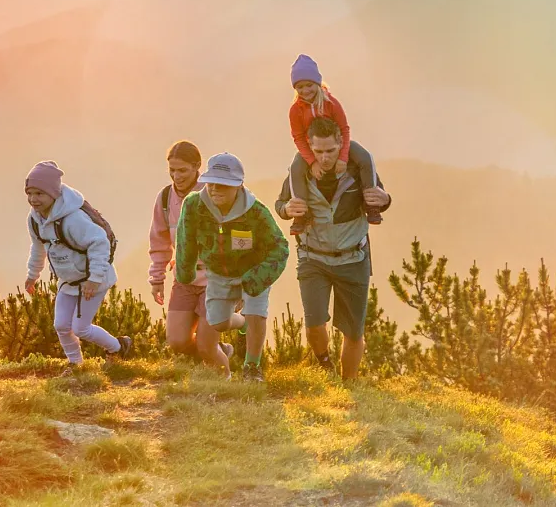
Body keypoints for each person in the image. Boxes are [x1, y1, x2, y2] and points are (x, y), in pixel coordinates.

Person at [274, 117, 392, 381]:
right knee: (314, 323)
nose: (324, 158)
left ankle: (349, 384)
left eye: (330, 150)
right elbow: (281, 203)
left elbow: (379, 198)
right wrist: (286, 209)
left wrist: (386, 200)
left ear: (341, 143)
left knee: (353, 331)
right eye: (318, 151)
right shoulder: (300, 172)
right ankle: (325, 364)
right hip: (312, 258)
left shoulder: (358, 169)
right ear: (309, 147)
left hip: (354, 258)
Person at [174, 152, 289, 382]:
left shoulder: (256, 212)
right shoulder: (194, 205)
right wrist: (184, 272)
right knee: (218, 323)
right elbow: (186, 239)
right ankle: (242, 321)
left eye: (223, 185)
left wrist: (256, 279)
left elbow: (280, 247)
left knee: (257, 312)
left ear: (239, 185)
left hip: (253, 271)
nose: (216, 189)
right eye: (212, 183)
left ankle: (252, 367)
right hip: (217, 274)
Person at [23, 161, 134, 375]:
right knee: (61, 325)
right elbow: (38, 247)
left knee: (81, 328)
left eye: (39, 193)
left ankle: (119, 347)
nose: (33, 199)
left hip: (93, 280)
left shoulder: (73, 219)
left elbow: (99, 242)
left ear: (53, 193)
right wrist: (32, 274)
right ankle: (75, 364)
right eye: (29, 193)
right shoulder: (35, 220)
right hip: (68, 280)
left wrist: (94, 278)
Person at [147, 140, 234, 372]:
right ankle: (218, 353)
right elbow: (159, 241)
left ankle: (226, 379)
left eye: (183, 170)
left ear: (197, 167)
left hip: (215, 280)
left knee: (206, 345)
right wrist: (157, 278)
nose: (176, 176)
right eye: (172, 170)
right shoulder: (165, 198)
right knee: (177, 342)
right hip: (184, 278)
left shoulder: (213, 194)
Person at [286, 53, 382, 236]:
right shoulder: (295, 110)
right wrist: (311, 161)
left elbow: (344, 129)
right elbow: (298, 137)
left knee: (365, 157)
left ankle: (372, 204)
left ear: (317, 83)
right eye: (300, 86)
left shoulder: (331, 103)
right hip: (311, 149)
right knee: (296, 168)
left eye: (309, 85)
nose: (305, 90)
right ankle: (300, 215)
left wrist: (343, 157)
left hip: (338, 144)